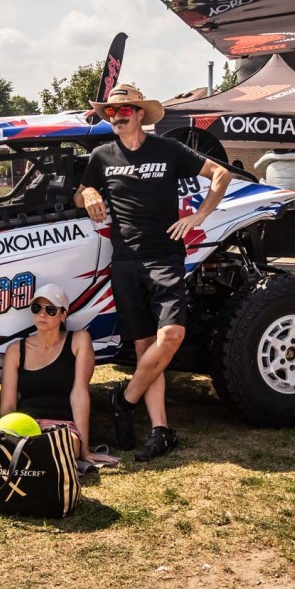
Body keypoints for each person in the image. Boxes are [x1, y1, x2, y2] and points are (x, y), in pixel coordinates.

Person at [75, 83, 231, 461]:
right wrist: (89, 193)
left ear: (140, 113)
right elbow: (80, 193)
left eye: (124, 110)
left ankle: (124, 400)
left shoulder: (168, 149)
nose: (117, 116)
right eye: (111, 112)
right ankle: (160, 430)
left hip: (164, 258)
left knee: (172, 335)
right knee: (146, 349)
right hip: (125, 261)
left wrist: (200, 215)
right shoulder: (101, 156)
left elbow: (220, 174)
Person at [0, 284, 111, 468]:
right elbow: (8, 407)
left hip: (60, 430)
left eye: (50, 310)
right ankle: (6, 459)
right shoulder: (16, 349)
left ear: (63, 314)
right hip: (20, 428)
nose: (42, 314)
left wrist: (84, 448)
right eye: (37, 308)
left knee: (66, 448)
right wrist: (10, 435)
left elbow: (79, 394)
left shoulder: (78, 340)